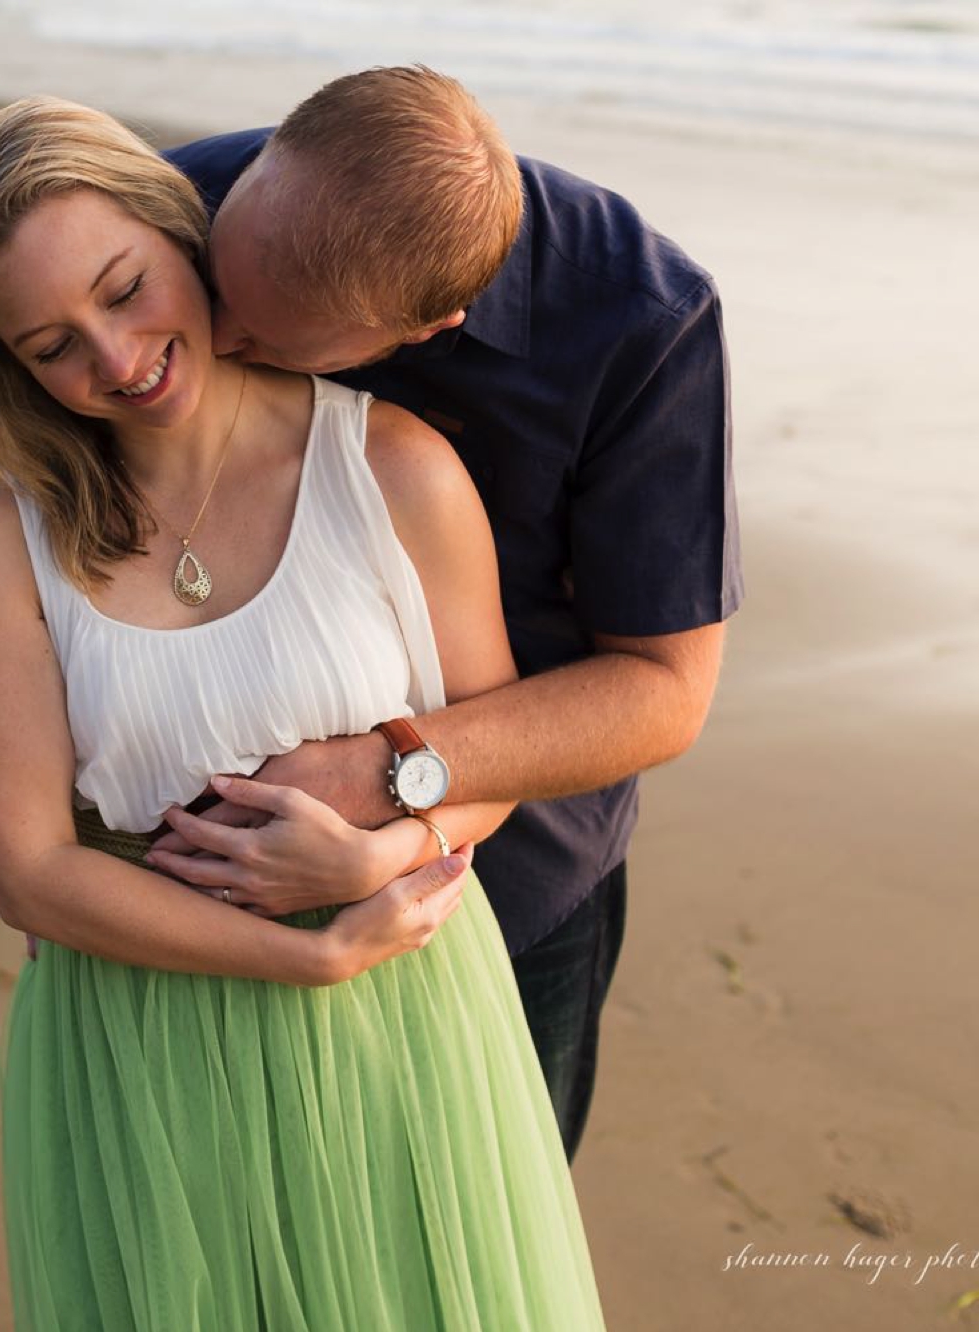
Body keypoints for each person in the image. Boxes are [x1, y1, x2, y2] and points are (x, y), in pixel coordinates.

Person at [0, 97, 606, 1328]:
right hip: (135, 1038)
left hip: (404, 1022)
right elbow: (27, 870)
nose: (115, 361)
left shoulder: (395, 465)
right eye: (48, 346)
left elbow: (492, 754)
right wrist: (302, 953)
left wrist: (388, 846)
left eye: (124, 290)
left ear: (189, 238)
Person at [152, 66, 742, 1157]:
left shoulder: (637, 322)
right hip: (190, 871)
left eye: (266, 342)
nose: (209, 337)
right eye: (213, 283)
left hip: (504, 889)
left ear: (428, 328)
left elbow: (662, 693)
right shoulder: (166, 207)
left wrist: (382, 771)